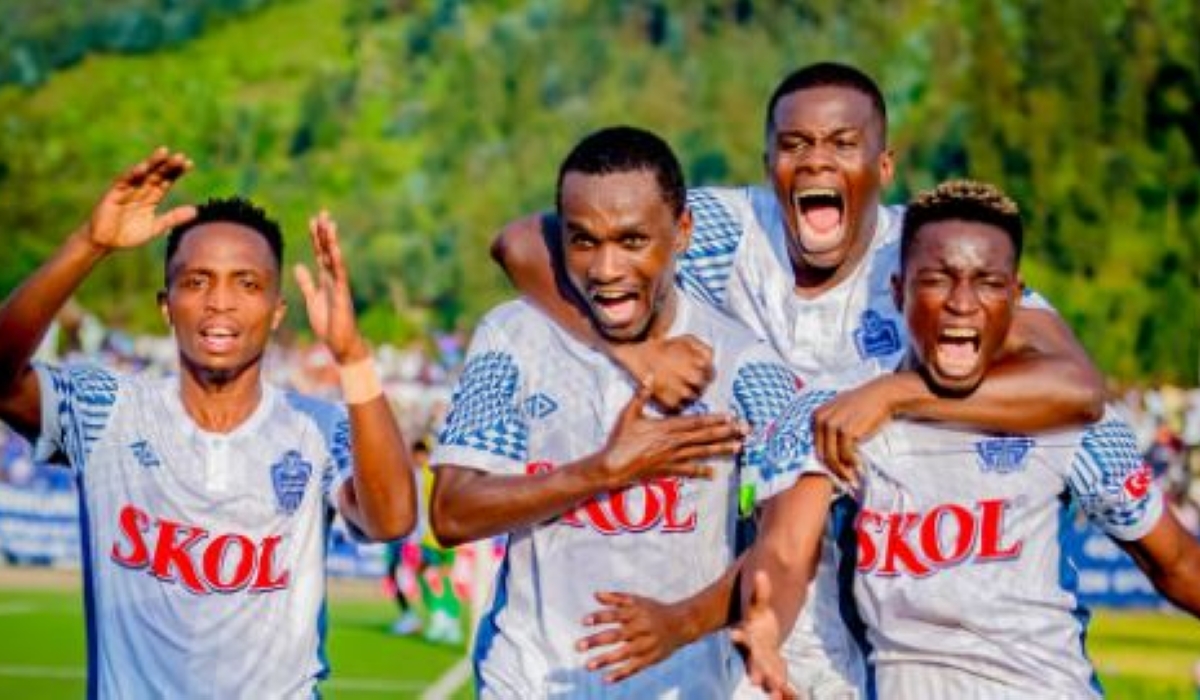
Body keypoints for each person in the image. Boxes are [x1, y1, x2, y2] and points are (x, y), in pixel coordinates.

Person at [491, 62, 1105, 696]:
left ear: (884, 166)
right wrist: (634, 354)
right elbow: (520, 243)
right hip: (758, 559)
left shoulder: (925, 256)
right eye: (794, 144)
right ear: (769, 165)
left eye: (842, 144)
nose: (816, 162)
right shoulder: (731, 230)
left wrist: (892, 394)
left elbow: (1077, 388)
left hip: (881, 577)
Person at [738, 180, 1200, 699]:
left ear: (1016, 294)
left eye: (988, 282)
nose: (962, 302)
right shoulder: (841, 418)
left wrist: (898, 393)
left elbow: (1177, 563)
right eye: (937, 279)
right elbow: (784, 550)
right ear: (898, 292)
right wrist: (766, 625)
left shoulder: (1067, 419)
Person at [429, 126, 831, 698]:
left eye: (633, 241)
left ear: (682, 233)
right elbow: (450, 513)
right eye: (583, 241)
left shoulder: (744, 368)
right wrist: (603, 471)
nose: (605, 268)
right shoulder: (513, 337)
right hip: (528, 682)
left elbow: (788, 542)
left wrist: (682, 623)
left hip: (680, 686)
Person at [0, 148, 418, 697]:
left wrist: (354, 358)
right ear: (166, 304)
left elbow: (391, 521)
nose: (220, 302)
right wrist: (91, 244)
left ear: (275, 311)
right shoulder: (108, 410)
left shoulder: (316, 427)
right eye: (196, 281)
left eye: (247, 284)